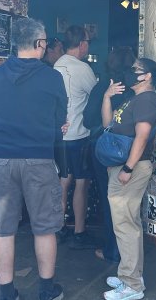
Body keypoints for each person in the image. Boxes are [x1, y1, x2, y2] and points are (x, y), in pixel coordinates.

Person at [0, 17, 69, 300]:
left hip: (2, 159)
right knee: (44, 228)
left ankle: (7, 294)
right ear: (39, 43)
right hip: (39, 158)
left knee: (2, 230)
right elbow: (60, 118)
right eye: (45, 41)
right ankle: (46, 291)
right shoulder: (52, 77)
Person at [101, 58, 156, 300]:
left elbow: (142, 136)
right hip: (123, 167)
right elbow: (107, 125)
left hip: (131, 168)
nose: (130, 73)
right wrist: (107, 97)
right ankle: (131, 275)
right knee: (128, 223)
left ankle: (132, 286)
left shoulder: (147, 100)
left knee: (125, 225)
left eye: (135, 70)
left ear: (147, 76)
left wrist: (127, 168)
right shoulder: (134, 98)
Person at [84, 46, 137, 264]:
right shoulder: (136, 88)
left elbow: (88, 120)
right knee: (128, 203)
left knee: (109, 200)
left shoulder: (103, 87)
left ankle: (112, 250)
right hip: (132, 151)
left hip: (104, 151)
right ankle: (127, 252)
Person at [54, 25, 98, 249]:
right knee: (81, 183)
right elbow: (96, 95)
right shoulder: (83, 69)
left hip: (58, 137)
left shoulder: (55, 66)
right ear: (81, 44)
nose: (88, 46)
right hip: (79, 135)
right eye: (87, 42)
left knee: (62, 182)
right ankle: (79, 231)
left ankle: (59, 228)